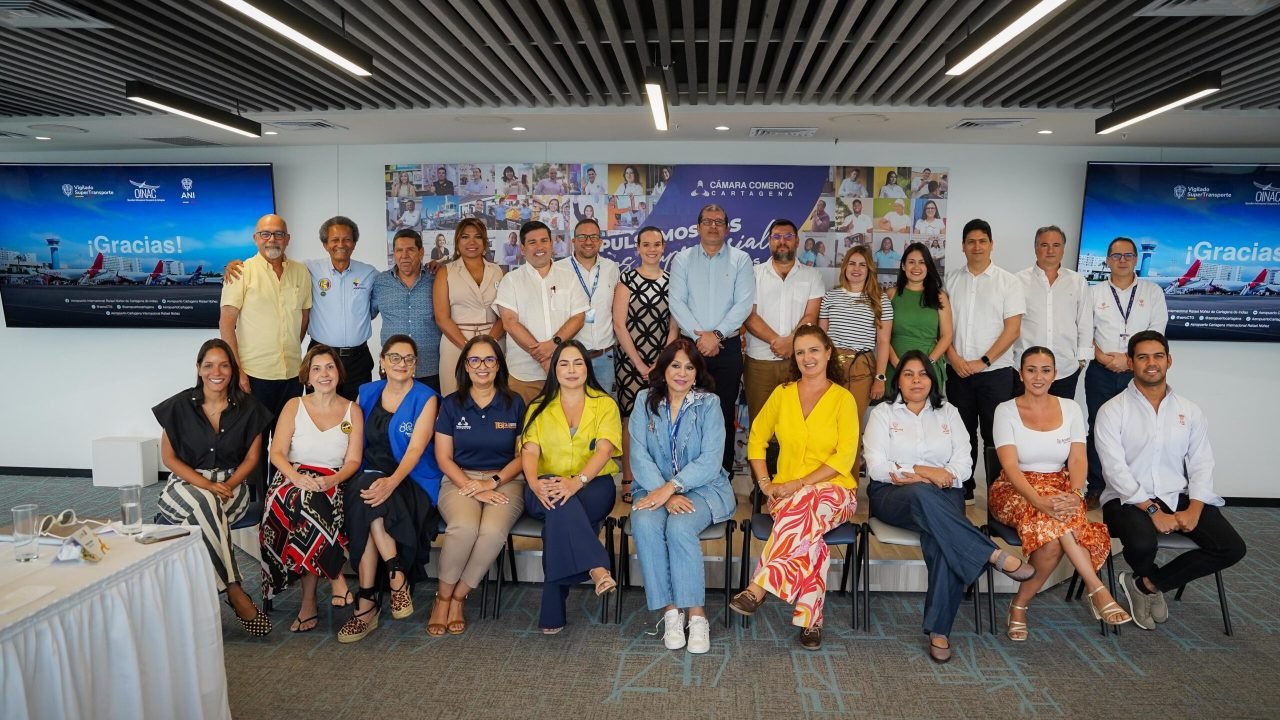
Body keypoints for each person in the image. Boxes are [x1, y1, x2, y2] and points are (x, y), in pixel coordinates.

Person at [864, 350, 1034, 663]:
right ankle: (990, 553)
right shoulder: (883, 413)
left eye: (923, 374)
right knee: (921, 494)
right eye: (908, 374)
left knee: (943, 541)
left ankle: (939, 631)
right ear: (897, 380)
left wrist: (938, 476)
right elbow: (876, 465)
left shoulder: (949, 413)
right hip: (894, 496)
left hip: (945, 494)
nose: (916, 380)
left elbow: (964, 465)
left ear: (933, 378)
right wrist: (925, 472)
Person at [1096, 331, 1246, 630]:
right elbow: (1115, 471)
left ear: (1169, 361)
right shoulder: (1112, 411)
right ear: (1130, 363)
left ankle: (1147, 585)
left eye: (1158, 356)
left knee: (1231, 547)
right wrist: (1153, 511)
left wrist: (1195, 508)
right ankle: (1147, 578)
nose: (1151, 363)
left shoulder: (1189, 411)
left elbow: (1202, 463)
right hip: (1127, 500)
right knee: (1142, 543)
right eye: (1142, 357)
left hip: (1177, 495)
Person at [730, 325, 860, 650]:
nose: (807, 357)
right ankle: (811, 621)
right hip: (785, 496)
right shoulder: (783, 394)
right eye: (800, 352)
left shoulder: (843, 399)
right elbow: (756, 440)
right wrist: (764, 483)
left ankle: (759, 586)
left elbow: (844, 457)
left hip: (836, 492)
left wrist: (799, 484)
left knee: (807, 504)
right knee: (811, 538)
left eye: (814, 350)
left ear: (828, 353)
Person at [989, 346, 1131, 641]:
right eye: (1031, 370)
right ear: (1020, 373)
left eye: (1045, 370)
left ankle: (1019, 606)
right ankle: (1097, 589)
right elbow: (1010, 466)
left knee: (1052, 544)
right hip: (1015, 490)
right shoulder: (1006, 410)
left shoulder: (1071, 408)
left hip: (1062, 488)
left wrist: (1077, 493)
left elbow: (1078, 459)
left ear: (1055, 374)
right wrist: (1037, 500)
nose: (1038, 377)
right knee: (1056, 520)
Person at [153, 339, 275, 636]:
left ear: (233, 370)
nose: (215, 371)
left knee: (207, 506)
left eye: (223, 365)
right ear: (198, 369)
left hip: (232, 488)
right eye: (208, 365)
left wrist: (228, 484)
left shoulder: (250, 409)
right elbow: (169, 458)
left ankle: (224, 592)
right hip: (185, 484)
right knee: (206, 502)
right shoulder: (178, 406)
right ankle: (234, 589)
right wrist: (207, 484)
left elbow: (253, 459)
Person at [628, 339, 735, 654]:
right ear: (663, 368)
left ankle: (697, 615)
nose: (682, 373)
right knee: (646, 523)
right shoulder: (644, 400)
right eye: (676, 365)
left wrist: (671, 487)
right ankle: (671, 612)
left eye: (689, 367)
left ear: (697, 372)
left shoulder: (709, 403)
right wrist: (663, 492)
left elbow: (711, 459)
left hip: (704, 488)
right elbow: (639, 454)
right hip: (653, 487)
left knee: (679, 526)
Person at [340, 335, 441, 643]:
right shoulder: (366, 393)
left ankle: (367, 603)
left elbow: (415, 452)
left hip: (410, 480)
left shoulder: (426, 397)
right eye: (395, 358)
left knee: (369, 496)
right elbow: (353, 440)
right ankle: (396, 578)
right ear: (381, 362)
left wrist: (391, 482)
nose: (402, 364)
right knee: (368, 494)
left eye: (409, 359)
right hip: (370, 475)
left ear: (416, 365)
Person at [519, 340, 621, 633]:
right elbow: (529, 452)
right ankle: (597, 567)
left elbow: (603, 452)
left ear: (587, 369)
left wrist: (576, 483)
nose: (571, 369)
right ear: (554, 370)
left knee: (559, 514)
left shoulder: (604, 404)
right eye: (564, 363)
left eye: (578, 363)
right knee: (558, 501)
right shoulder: (539, 407)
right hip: (544, 485)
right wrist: (535, 483)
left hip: (593, 485)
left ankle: (553, 609)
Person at [261, 345, 363, 632]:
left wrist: (333, 480)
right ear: (307, 376)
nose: (324, 374)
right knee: (305, 499)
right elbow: (277, 453)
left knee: (310, 506)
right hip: (290, 481)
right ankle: (337, 580)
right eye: (316, 368)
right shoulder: (294, 405)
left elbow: (353, 460)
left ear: (338, 373)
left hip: (333, 482)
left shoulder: (352, 410)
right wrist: (296, 477)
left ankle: (308, 606)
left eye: (329, 367)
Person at [430, 336, 527, 636]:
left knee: (493, 532)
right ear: (465, 367)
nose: (482, 367)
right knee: (464, 528)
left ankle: (458, 596)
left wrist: (493, 482)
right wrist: (473, 485)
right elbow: (443, 457)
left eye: (489, 360)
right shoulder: (451, 404)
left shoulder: (515, 403)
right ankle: (441, 597)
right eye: (474, 360)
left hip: (506, 480)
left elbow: (524, 455)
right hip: (459, 478)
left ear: (499, 366)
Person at [224, 216, 377, 401]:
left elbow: (304, 317)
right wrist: (230, 265)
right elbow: (226, 323)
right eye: (334, 240)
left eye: (347, 239)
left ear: (354, 243)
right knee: (316, 418)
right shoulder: (306, 269)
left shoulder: (368, 274)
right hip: (315, 358)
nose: (341, 244)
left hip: (355, 361)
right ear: (325, 244)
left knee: (354, 417)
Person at [219, 213, 311, 481]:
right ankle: (256, 506)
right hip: (254, 376)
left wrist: (292, 346)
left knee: (288, 444)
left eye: (279, 234)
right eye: (266, 234)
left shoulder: (300, 271)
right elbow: (226, 325)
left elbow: (304, 318)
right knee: (254, 445)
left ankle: (280, 499)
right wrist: (239, 372)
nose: (273, 240)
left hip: (292, 375)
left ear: (288, 239)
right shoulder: (241, 272)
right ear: (256, 239)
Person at [668, 203, 755, 474]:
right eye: (708, 221)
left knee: (722, 415)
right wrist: (701, 338)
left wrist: (715, 336)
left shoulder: (741, 259)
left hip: (726, 349)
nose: (713, 226)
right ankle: (687, 475)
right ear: (698, 227)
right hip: (689, 351)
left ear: (727, 228)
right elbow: (677, 303)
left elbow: (743, 304)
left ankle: (722, 475)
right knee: (687, 414)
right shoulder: (682, 259)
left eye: (719, 221)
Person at [1084, 237, 1168, 507]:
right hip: (1101, 370)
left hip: (1139, 373)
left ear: (1136, 259)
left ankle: (1136, 487)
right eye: (1116, 255)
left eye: (1128, 255)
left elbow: (1157, 333)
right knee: (1098, 427)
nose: (1122, 260)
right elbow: (1084, 332)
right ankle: (1097, 486)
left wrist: (1129, 361)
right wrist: (1103, 358)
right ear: (1107, 260)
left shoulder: (1152, 292)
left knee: (1140, 428)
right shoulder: (1093, 293)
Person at [945, 219, 1025, 502]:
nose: (977, 247)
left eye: (982, 241)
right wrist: (953, 358)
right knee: (961, 433)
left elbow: (1012, 329)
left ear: (991, 244)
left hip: (995, 372)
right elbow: (942, 327)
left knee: (995, 434)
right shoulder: (950, 280)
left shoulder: (1009, 282)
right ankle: (964, 489)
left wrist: (983, 361)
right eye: (971, 241)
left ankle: (998, 493)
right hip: (957, 371)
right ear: (963, 246)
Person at [744, 218, 823, 472]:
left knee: (796, 425)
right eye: (776, 237)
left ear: (797, 241)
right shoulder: (753, 274)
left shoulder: (812, 275)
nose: (782, 242)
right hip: (760, 362)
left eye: (788, 236)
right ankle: (762, 489)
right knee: (761, 427)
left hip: (799, 364)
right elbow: (749, 315)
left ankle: (793, 484)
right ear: (769, 242)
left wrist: (792, 344)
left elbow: (811, 316)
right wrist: (776, 341)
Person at [613, 226, 678, 503]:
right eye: (646, 244)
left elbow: (674, 325)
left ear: (664, 247)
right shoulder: (626, 279)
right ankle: (628, 479)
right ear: (637, 248)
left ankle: (658, 482)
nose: (652, 249)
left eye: (657, 244)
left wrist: (660, 364)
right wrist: (640, 365)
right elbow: (619, 324)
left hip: (663, 362)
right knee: (631, 421)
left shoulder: (674, 281)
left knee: (661, 420)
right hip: (630, 362)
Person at [494, 220, 589, 403]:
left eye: (544, 241)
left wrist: (554, 344)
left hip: (566, 374)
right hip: (523, 376)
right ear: (522, 248)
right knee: (523, 429)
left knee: (564, 429)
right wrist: (544, 360)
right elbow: (510, 323)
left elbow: (578, 317)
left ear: (551, 244)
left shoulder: (569, 278)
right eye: (532, 242)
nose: (540, 246)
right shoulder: (511, 280)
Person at [819, 246, 893, 474]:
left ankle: (847, 484)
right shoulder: (830, 297)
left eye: (862, 264)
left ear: (869, 269)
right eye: (852, 263)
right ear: (845, 267)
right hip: (830, 369)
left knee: (851, 428)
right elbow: (821, 339)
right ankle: (822, 482)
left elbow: (883, 342)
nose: (857, 269)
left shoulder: (879, 300)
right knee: (826, 425)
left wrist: (880, 377)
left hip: (861, 369)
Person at [1015, 226, 1092, 400]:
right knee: (1025, 421)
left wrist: (1081, 361)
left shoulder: (1078, 282)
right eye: (1044, 245)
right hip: (1026, 370)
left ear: (1063, 249)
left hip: (1065, 369)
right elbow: (1010, 324)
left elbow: (1085, 323)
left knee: (1060, 422)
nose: (1050, 250)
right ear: (1035, 248)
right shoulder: (1017, 281)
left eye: (1056, 245)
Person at [434, 219, 505, 397]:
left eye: (478, 237)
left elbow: (505, 316)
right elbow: (442, 318)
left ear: (485, 242)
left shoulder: (498, 271)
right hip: (455, 343)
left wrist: (489, 345)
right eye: (465, 237)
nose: (472, 242)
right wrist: (468, 348)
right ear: (457, 242)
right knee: (454, 398)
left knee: (494, 397)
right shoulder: (446, 271)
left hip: (494, 341)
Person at [371, 229, 444, 392]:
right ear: (393, 253)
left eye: (410, 249)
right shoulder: (380, 282)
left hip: (430, 367)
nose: (404, 255)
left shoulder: (436, 278)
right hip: (393, 367)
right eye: (399, 250)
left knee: (431, 415)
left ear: (421, 252)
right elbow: (367, 313)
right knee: (393, 415)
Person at [556, 218, 620, 392]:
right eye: (583, 236)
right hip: (570, 358)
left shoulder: (611, 268)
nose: (588, 241)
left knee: (604, 411)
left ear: (600, 241)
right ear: (574, 240)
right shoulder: (557, 270)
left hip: (604, 357)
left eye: (593, 237)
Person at [887, 242, 952, 391]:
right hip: (895, 365)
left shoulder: (939, 296)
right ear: (903, 266)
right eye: (911, 262)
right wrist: (897, 364)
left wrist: (927, 364)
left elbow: (947, 335)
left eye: (922, 262)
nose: (916, 267)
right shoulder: (891, 295)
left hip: (929, 366)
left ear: (928, 266)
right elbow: (882, 336)